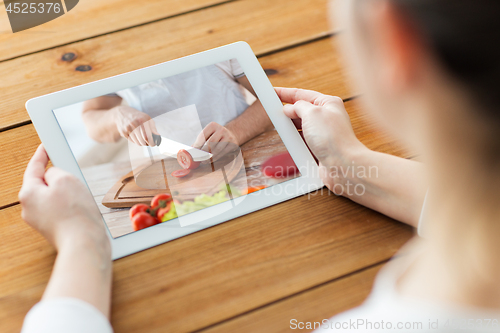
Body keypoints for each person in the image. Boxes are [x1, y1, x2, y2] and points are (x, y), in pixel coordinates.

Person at [19, 0, 500, 331]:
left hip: (238, 154)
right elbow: (94, 117)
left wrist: (82, 242)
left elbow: (261, 98)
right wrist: (351, 164)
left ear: (395, 38)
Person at [81, 60, 273, 158]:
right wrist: (117, 115)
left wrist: (235, 134)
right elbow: (91, 122)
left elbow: (274, 100)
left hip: (247, 151)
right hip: (169, 173)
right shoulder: (107, 58)